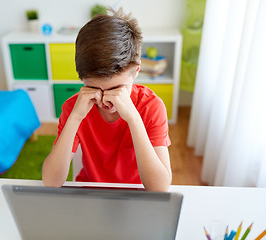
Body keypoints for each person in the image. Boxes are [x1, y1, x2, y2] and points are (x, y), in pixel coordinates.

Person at [42, 8, 172, 191]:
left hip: (138, 196)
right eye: (94, 88)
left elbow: (160, 188)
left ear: (136, 71)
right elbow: (51, 182)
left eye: (116, 89)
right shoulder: (75, 107)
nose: (105, 100)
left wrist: (134, 119)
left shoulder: (151, 107)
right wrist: (75, 118)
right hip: (91, 194)